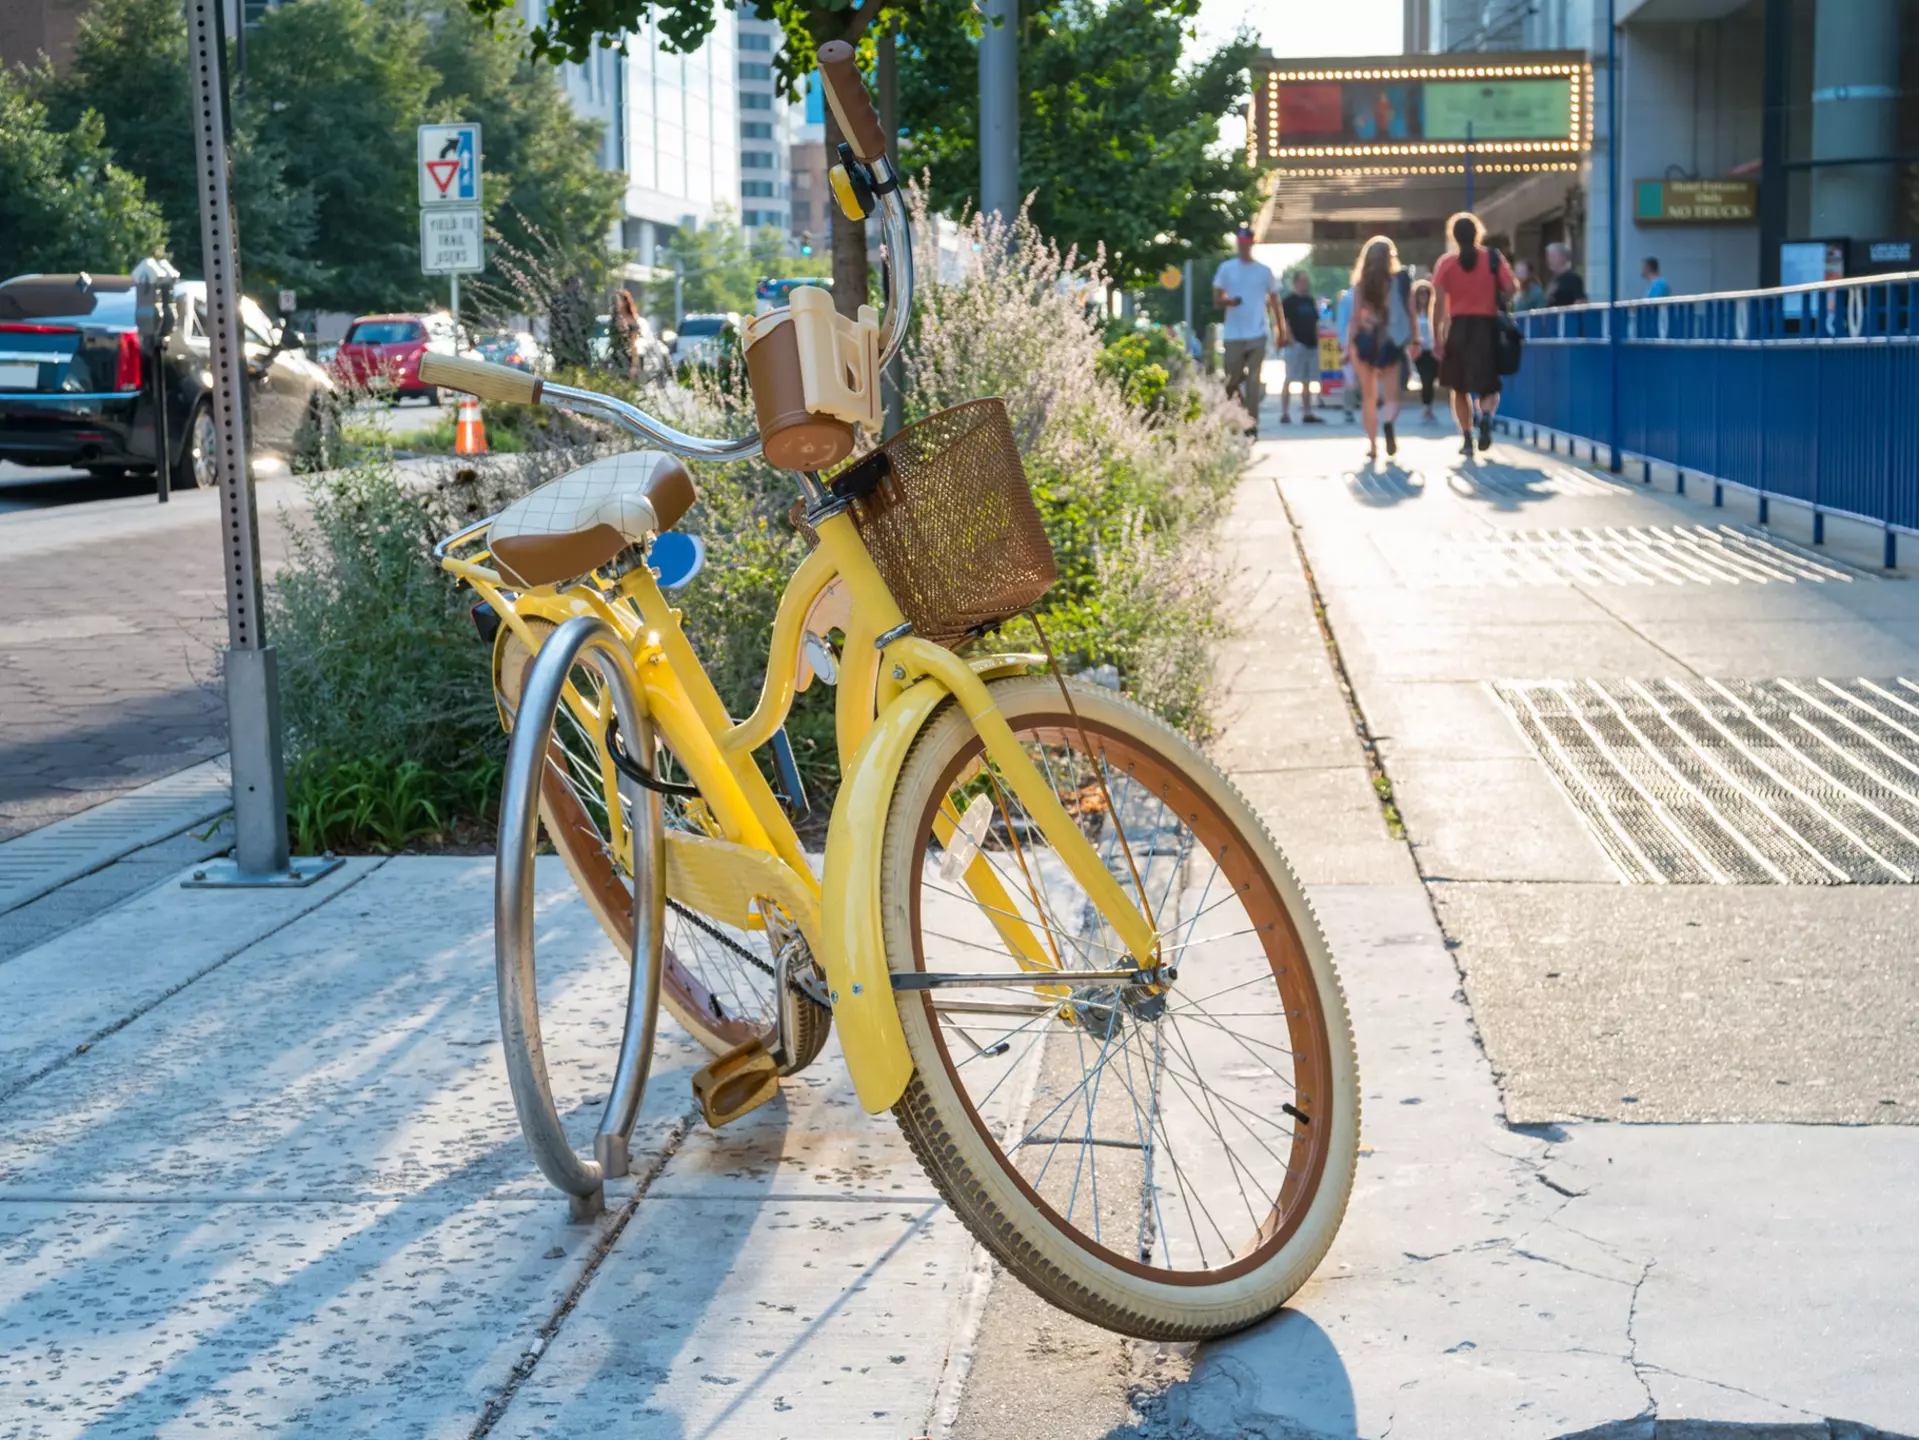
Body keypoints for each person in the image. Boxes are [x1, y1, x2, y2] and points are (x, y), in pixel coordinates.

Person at [1431, 211, 1516, 457]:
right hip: (1486, 329)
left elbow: (1437, 304)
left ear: (1453, 237)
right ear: (1478, 233)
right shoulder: (1492, 258)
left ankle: (1467, 439)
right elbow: (1511, 288)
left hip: (1458, 330)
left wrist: (1437, 336)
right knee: (1489, 385)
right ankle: (1486, 416)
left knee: (1459, 388)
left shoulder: (1446, 264)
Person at [1344, 236, 1416, 461]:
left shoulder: (1360, 285)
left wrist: (1347, 348)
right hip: (1391, 343)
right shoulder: (1400, 283)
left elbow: (1355, 319)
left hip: (1365, 344)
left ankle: (1373, 446)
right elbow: (1411, 313)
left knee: (1368, 397)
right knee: (1392, 396)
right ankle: (1388, 423)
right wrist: (1415, 340)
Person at [1212, 225, 1280, 436]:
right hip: (1234, 334)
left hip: (1257, 333)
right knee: (1231, 379)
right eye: (1240, 244)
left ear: (1252, 243)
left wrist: (1282, 330)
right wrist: (1228, 301)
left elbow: (1276, 301)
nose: (1243, 247)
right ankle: (1238, 414)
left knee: (1253, 379)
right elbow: (1216, 299)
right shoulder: (1226, 269)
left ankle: (1252, 424)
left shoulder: (1264, 271)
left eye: (1247, 243)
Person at [1278, 271, 1323, 424]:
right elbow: (1286, 323)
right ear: (1296, 282)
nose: (1305, 284)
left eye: (1307, 281)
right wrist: (1291, 341)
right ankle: (1285, 412)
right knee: (1290, 378)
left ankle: (1307, 412)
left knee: (1308, 380)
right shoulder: (1289, 301)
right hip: (1296, 345)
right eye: (1303, 281)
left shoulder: (1310, 301)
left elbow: (1316, 322)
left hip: (1311, 344)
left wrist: (1318, 341)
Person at [1409, 276, 1439, 423]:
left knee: (1431, 379)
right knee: (1425, 378)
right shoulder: (1413, 313)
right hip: (1420, 351)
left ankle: (1429, 406)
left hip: (1433, 350)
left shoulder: (1434, 312)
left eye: (1426, 293)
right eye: (1420, 293)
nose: (1424, 296)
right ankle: (1427, 407)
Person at [609, 288, 642, 379]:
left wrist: (633, 365)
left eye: (618, 300)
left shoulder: (631, 321)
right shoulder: (614, 320)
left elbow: (633, 344)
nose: (616, 303)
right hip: (614, 356)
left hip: (627, 357)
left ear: (625, 302)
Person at [1544, 242, 1586, 307]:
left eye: (1553, 256)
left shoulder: (1573, 279)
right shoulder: (1553, 279)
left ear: (1563, 256)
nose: (1549, 259)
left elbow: (1580, 301)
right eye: (1549, 256)